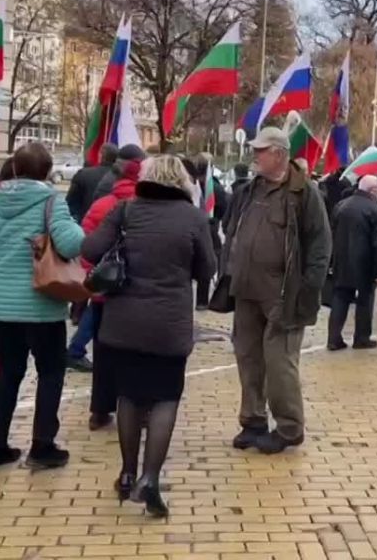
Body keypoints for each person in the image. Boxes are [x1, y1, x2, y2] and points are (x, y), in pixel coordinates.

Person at [81, 155, 216, 517]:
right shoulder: (194, 218)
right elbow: (207, 270)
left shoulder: (125, 211)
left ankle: (126, 473)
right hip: (169, 324)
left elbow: (90, 250)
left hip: (123, 323)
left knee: (129, 395)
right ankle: (150, 479)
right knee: (165, 399)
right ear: (183, 182)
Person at [0, 142, 85, 471]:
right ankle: (43, 445)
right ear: (48, 171)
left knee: (8, 372)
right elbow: (70, 242)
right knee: (50, 371)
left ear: (15, 169)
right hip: (40, 305)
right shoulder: (51, 201)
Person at [222, 126, 331, 454]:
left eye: (261, 150)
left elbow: (320, 247)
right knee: (248, 357)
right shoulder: (248, 190)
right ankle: (253, 420)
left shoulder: (304, 193)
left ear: (280, 154)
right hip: (245, 289)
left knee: (280, 361)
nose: (254, 156)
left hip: (284, 294)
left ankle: (289, 427)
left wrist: (307, 290)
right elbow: (231, 229)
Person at [67, 151, 141, 434]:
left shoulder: (102, 205)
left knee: (104, 352)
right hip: (137, 296)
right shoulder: (145, 207)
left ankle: (99, 410)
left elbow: (86, 246)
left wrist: (92, 279)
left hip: (104, 294)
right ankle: (137, 410)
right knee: (135, 354)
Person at [327, 175, 377, 350]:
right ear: (373, 190)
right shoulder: (375, 209)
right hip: (365, 262)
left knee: (340, 297)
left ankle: (333, 338)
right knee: (365, 299)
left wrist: (331, 260)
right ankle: (361, 337)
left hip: (341, 259)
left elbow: (331, 233)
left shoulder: (341, 205)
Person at [194, 153, 227, 310]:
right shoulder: (215, 187)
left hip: (191, 225)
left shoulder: (189, 183)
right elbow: (223, 208)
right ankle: (206, 299)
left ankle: (200, 300)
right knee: (212, 256)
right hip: (209, 226)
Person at [66, 143, 117, 223]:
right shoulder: (122, 179)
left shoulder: (83, 174)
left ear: (100, 156)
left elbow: (70, 204)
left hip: (85, 224)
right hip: (111, 226)